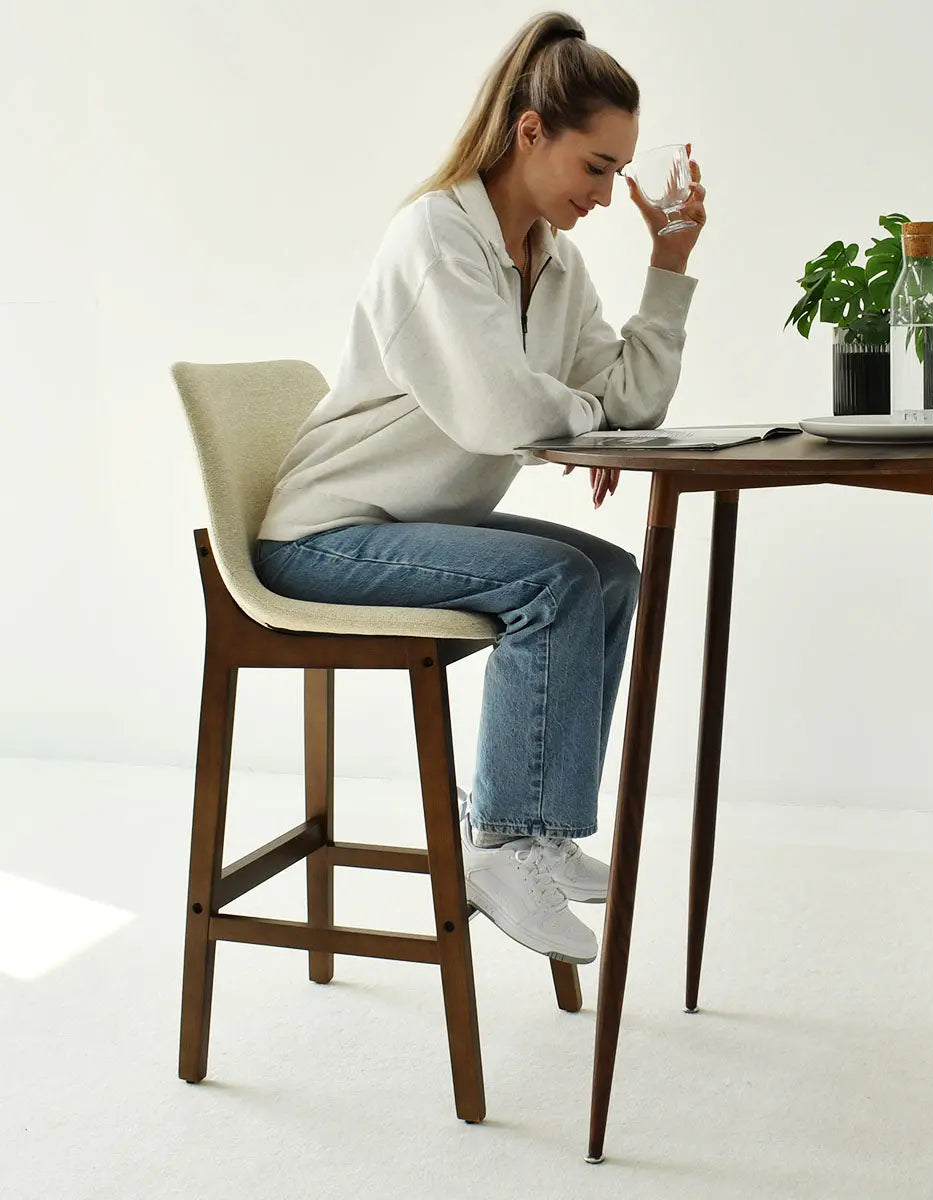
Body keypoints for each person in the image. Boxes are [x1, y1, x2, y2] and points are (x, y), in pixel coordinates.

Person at [253, 10, 708, 965]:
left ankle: (539, 832)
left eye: (622, 172)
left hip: (412, 529)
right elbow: (503, 412)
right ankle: (500, 842)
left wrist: (667, 266)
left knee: (612, 573)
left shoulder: (557, 260)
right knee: (552, 580)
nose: (610, 191)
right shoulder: (437, 236)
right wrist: (573, 427)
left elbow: (628, 399)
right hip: (320, 536)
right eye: (598, 167)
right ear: (531, 132)